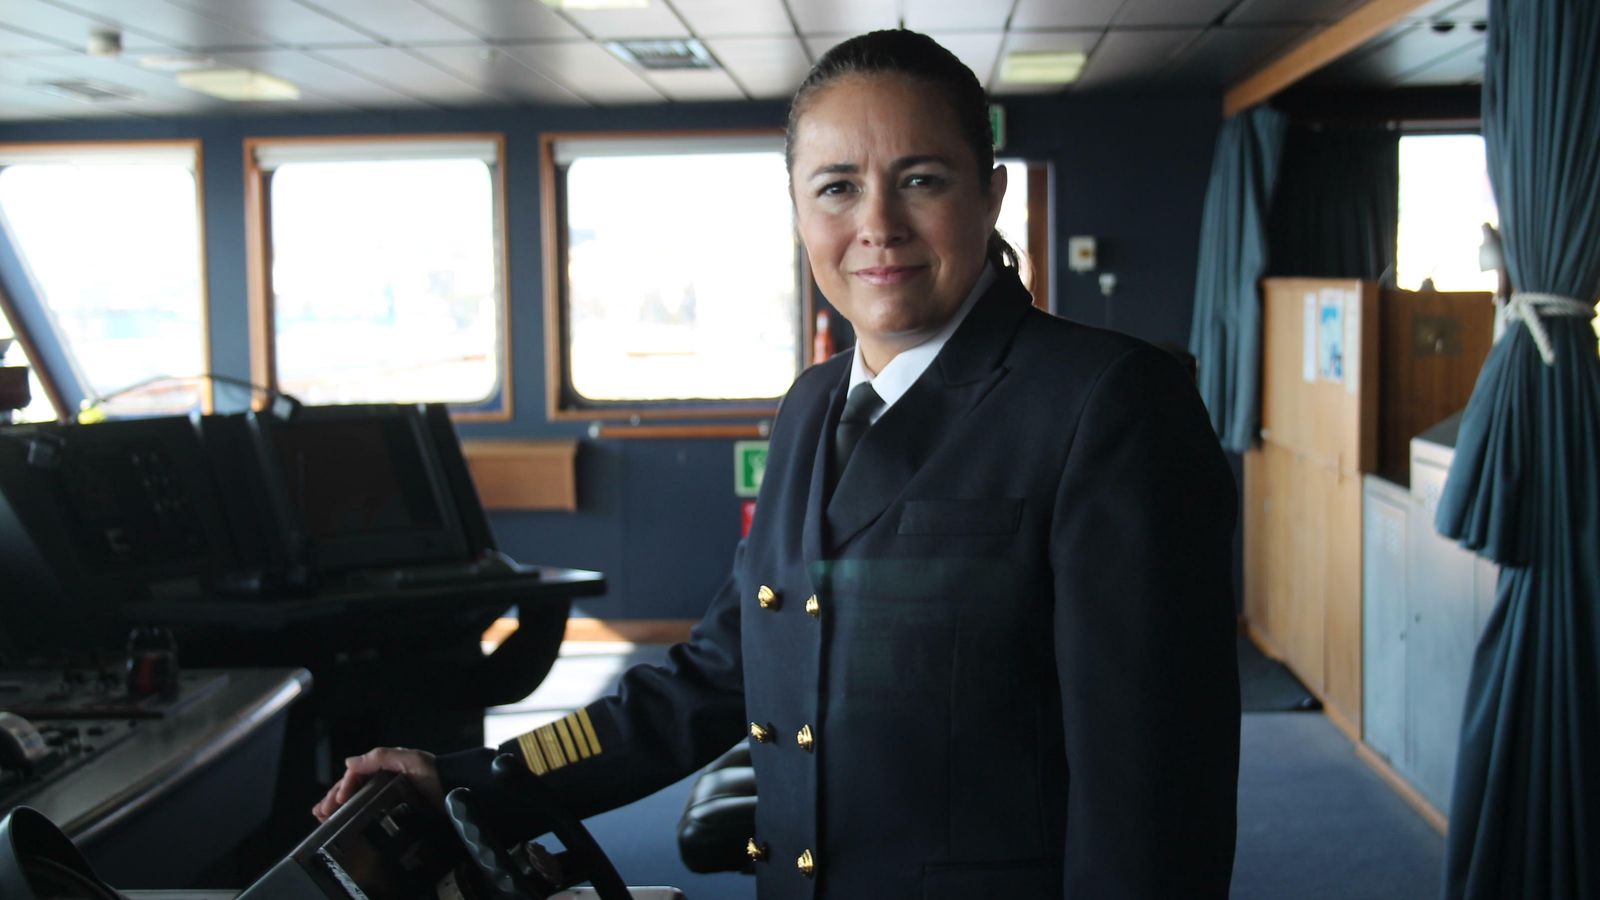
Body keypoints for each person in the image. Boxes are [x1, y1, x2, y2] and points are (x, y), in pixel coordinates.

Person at [315, 29, 1241, 899]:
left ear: (990, 195)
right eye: (837, 188)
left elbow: (1155, 790)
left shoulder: (1109, 404)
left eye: (921, 179)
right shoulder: (810, 407)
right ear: (798, 208)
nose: (878, 224)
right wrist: (474, 779)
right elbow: (716, 676)